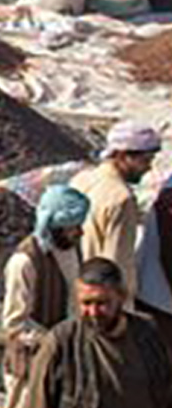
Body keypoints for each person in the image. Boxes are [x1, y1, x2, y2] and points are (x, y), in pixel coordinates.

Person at [21, 256, 172, 408]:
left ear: (121, 297)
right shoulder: (61, 344)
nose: (93, 312)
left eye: (102, 303)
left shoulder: (147, 334)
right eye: (85, 303)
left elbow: (166, 402)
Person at [2, 185, 88, 408]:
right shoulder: (24, 262)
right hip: (30, 362)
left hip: (65, 356)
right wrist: (54, 340)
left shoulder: (72, 248)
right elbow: (15, 324)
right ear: (52, 225)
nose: (79, 232)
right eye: (72, 227)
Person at [72, 120, 159, 298]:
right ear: (121, 155)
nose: (149, 168)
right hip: (104, 298)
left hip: (78, 290)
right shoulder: (121, 198)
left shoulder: (82, 180)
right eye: (144, 161)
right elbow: (115, 264)